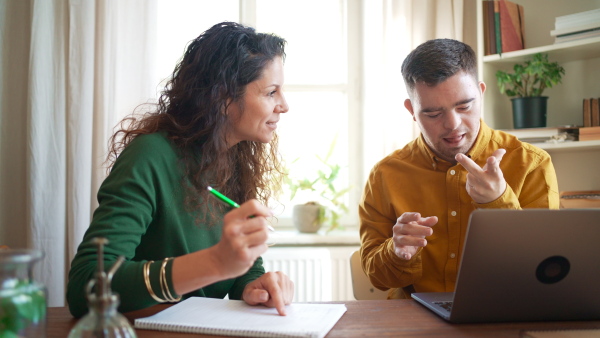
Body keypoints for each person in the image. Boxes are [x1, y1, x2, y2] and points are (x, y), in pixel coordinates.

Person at [67, 22, 294, 317]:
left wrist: (257, 285)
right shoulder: (149, 157)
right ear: (224, 97)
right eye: (271, 92)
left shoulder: (234, 159)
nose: (284, 105)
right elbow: (86, 287)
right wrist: (214, 262)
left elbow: (241, 273)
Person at [359, 38, 559, 299]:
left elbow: (546, 269)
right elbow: (378, 278)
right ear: (411, 110)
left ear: (481, 93)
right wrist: (396, 252)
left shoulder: (531, 164)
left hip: (502, 317)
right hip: (415, 323)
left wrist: (498, 203)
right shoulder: (385, 175)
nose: (453, 124)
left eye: (464, 106)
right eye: (432, 114)